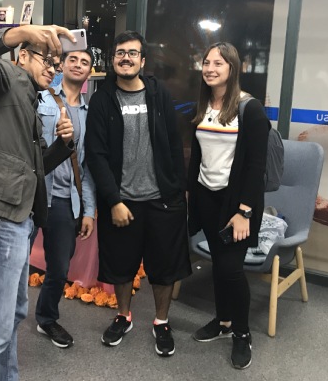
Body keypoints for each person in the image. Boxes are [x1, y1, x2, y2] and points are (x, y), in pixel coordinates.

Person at [0, 24, 77, 381]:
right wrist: (21, 31)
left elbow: (37, 168)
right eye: (47, 59)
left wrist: (64, 146)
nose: (53, 69)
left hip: (19, 216)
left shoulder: (30, 100)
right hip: (1, 215)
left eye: (57, 65)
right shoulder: (5, 77)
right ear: (23, 55)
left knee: (11, 317)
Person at [85, 30, 191, 357]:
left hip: (162, 200)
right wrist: (113, 201)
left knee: (164, 267)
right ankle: (123, 316)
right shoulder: (102, 100)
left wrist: (178, 190)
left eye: (133, 53)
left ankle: (161, 321)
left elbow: (173, 144)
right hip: (123, 203)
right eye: (120, 53)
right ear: (113, 59)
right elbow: (96, 155)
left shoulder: (159, 94)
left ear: (142, 61)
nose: (126, 58)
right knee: (120, 265)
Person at [187, 42, 270, 370]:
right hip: (207, 197)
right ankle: (223, 321)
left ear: (232, 68)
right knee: (219, 265)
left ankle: (242, 333)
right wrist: (190, 192)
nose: (210, 68)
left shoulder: (250, 109)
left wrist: (244, 211)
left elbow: (256, 166)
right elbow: (198, 155)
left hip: (236, 203)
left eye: (218, 63)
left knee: (232, 269)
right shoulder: (205, 103)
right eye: (206, 62)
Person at [33, 48, 96, 348]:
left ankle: (46, 318)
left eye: (85, 62)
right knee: (13, 261)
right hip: (32, 193)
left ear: (90, 72)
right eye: (73, 59)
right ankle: (5, 316)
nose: (78, 65)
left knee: (59, 268)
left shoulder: (89, 115)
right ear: (63, 65)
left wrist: (89, 210)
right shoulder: (39, 98)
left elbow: (85, 167)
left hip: (64, 200)